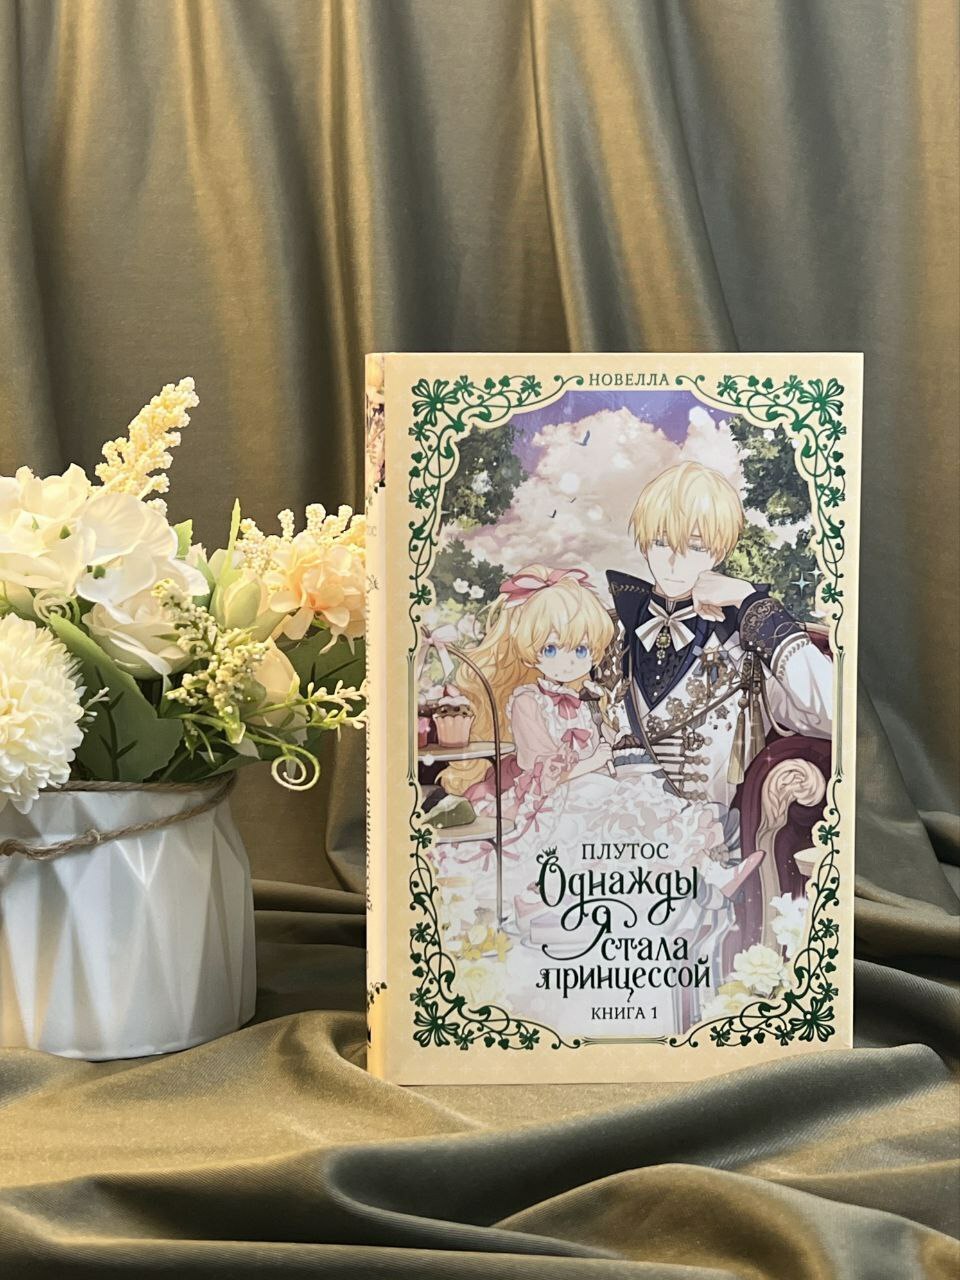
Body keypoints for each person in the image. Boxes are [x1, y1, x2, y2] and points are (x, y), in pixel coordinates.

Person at [433, 564, 748, 1034]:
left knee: (646, 800)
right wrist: (596, 759)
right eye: (552, 649)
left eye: (580, 650)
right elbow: (541, 769)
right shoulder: (527, 701)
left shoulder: (586, 698)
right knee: (614, 813)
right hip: (549, 796)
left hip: (590, 785)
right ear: (531, 650)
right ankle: (618, 894)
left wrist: (611, 758)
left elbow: (602, 751)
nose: (567, 661)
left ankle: (703, 875)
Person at [606, 460, 834, 956]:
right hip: (611, 840)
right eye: (661, 541)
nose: (673, 560)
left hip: (706, 844)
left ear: (719, 550)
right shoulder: (611, 631)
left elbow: (834, 713)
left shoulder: (744, 637)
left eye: (694, 545)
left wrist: (753, 606)